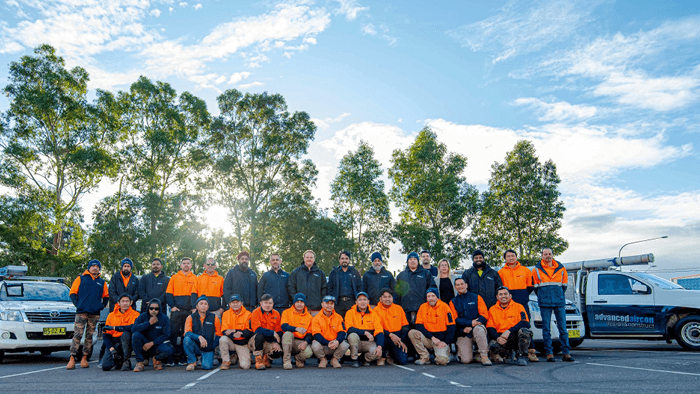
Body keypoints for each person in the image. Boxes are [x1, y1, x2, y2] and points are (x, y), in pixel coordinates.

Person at [532, 248, 574, 362]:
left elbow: (564, 285)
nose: (547, 256)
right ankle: (549, 353)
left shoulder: (561, 269)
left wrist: (557, 294)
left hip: (559, 302)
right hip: (545, 302)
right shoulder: (536, 270)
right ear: (542, 256)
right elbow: (535, 287)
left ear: (552, 255)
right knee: (546, 329)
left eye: (549, 254)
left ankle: (566, 353)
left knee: (563, 328)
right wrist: (544, 295)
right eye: (545, 254)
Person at [67, 259, 109, 370]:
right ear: (89, 268)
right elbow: (72, 293)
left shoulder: (102, 282)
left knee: (89, 336)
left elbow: (106, 297)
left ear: (99, 268)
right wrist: (78, 305)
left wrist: (101, 306)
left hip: (94, 314)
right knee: (77, 335)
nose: (95, 268)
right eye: (93, 266)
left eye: (97, 266)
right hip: (81, 312)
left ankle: (85, 357)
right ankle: (72, 357)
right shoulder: (81, 278)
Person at [498, 249, 538, 362]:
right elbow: (500, 289)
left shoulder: (525, 271)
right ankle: (511, 351)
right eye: (508, 256)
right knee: (509, 326)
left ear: (516, 257)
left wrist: (522, 296)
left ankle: (531, 352)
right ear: (505, 259)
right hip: (507, 306)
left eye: (512, 256)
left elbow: (530, 287)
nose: (511, 258)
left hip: (522, 304)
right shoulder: (501, 272)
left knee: (526, 326)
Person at [486, 286, 532, 366]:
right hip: (502, 337)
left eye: (505, 294)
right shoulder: (492, 309)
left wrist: (509, 331)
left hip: (515, 336)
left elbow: (525, 323)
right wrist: (498, 338)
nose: (503, 296)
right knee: (492, 345)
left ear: (510, 296)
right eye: (500, 294)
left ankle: (521, 356)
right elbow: (490, 327)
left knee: (525, 332)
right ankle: (507, 355)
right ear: (497, 297)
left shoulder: (519, 307)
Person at [408, 289, 455, 366]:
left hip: (441, 341)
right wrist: (432, 337)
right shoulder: (422, 307)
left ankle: (448, 354)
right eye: (428, 296)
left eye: (433, 296)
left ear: (437, 297)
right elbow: (419, 325)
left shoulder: (445, 307)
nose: (431, 298)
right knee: (412, 333)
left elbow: (451, 326)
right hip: (428, 339)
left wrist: (445, 342)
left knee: (442, 361)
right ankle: (425, 357)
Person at [450, 278, 491, 366]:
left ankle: (484, 356)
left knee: (478, 330)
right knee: (466, 360)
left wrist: (472, 325)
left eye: (462, 284)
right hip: (464, 332)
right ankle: (475, 355)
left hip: (477, 327)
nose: (460, 286)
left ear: (466, 285)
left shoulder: (476, 297)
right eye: (457, 285)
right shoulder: (453, 302)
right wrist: (468, 324)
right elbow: (455, 319)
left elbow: (484, 315)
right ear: (455, 287)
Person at [165, 257, 198, 365]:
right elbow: (169, 293)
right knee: (173, 333)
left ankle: (184, 357)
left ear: (191, 265)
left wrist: (194, 307)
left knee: (186, 334)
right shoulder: (174, 277)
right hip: (177, 311)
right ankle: (173, 357)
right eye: (184, 263)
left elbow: (195, 294)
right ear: (181, 265)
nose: (186, 265)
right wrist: (172, 306)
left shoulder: (195, 278)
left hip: (189, 311)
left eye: (188, 263)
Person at [131, 298, 174, 372]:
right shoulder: (142, 316)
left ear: (159, 309)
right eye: (151, 308)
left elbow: (166, 335)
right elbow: (134, 329)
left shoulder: (164, 318)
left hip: (157, 344)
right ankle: (140, 362)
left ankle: (157, 358)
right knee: (136, 335)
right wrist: (148, 323)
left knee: (170, 350)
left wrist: (152, 343)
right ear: (148, 308)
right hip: (144, 345)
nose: (153, 310)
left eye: (156, 309)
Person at [101, 294, 140, 371]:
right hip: (115, 342)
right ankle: (118, 361)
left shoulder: (135, 314)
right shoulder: (111, 315)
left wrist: (115, 328)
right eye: (123, 301)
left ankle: (126, 360)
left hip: (128, 341)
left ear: (131, 303)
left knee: (126, 334)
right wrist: (112, 350)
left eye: (127, 301)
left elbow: (132, 328)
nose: (125, 303)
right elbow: (106, 335)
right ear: (118, 303)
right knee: (106, 366)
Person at [396, 252, 435, 327]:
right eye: (410, 259)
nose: (412, 261)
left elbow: (432, 289)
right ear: (407, 261)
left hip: (422, 310)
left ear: (418, 261)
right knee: (406, 332)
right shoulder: (401, 276)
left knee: (421, 332)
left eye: (415, 259)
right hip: (405, 310)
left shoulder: (426, 274)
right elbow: (396, 294)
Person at [345, 292, 383, 367]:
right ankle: (354, 360)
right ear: (356, 302)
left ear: (368, 302)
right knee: (352, 335)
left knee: (378, 353)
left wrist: (379, 347)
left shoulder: (374, 314)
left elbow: (379, 331)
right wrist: (365, 333)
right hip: (355, 342)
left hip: (368, 342)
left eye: (364, 300)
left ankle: (364, 359)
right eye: (360, 300)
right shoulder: (350, 313)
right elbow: (349, 329)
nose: (362, 302)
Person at [183, 296, 222, 371]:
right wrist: (199, 337)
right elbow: (187, 333)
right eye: (201, 304)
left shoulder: (214, 317)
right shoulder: (190, 317)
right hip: (196, 346)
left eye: (205, 304)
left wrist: (212, 347)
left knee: (206, 367)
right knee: (187, 340)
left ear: (208, 307)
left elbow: (219, 335)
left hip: (208, 347)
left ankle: (202, 358)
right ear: (197, 306)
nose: (203, 306)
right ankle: (192, 362)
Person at [310, 295, 349, 368]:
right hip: (323, 345)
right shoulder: (316, 318)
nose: (329, 305)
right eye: (327, 303)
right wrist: (327, 343)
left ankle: (335, 359)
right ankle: (322, 359)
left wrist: (337, 341)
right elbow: (316, 334)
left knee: (345, 344)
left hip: (335, 345)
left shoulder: (338, 317)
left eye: (331, 304)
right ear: (322, 304)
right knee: (315, 345)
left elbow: (342, 332)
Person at [373, 288, 409, 366]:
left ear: (392, 298)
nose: (387, 299)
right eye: (385, 297)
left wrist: (400, 340)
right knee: (380, 336)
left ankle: (391, 355)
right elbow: (377, 328)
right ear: (380, 298)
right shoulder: (375, 310)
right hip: (384, 336)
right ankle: (383, 355)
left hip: (398, 337)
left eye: (389, 297)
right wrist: (390, 335)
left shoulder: (399, 308)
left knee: (403, 361)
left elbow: (405, 326)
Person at [219, 294, 254, 370]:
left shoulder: (248, 314)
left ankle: (239, 356)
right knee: (223, 339)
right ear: (229, 304)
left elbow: (250, 332)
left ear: (241, 303)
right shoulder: (225, 314)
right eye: (233, 302)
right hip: (231, 341)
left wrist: (236, 331)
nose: (235, 304)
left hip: (243, 343)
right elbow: (224, 331)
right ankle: (225, 361)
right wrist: (234, 335)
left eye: (237, 302)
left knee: (245, 366)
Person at [288, 250, 327, 316]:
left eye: (311, 257)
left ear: (314, 259)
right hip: (300, 309)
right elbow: (290, 287)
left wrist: (321, 302)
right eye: (307, 257)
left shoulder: (320, 273)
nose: (309, 259)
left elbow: (324, 288)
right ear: (304, 258)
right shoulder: (296, 272)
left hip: (316, 309)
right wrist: (297, 301)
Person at [249, 293, 283, 370]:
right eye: (266, 303)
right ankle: (258, 359)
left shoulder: (276, 313)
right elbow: (257, 330)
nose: (268, 305)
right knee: (260, 335)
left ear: (273, 304)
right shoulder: (255, 312)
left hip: (269, 342)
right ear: (261, 303)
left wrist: (276, 343)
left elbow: (279, 331)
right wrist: (272, 333)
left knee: (278, 352)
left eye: (270, 303)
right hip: (256, 341)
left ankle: (267, 358)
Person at [280, 293, 313, 369]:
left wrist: (305, 342)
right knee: (288, 334)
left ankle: (298, 359)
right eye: (297, 302)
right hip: (287, 341)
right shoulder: (286, 312)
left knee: (309, 352)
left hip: (300, 342)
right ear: (294, 303)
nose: (299, 304)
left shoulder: (309, 316)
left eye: (302, 302)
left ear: (304, 304)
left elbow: (310, 333)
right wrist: (296, 329)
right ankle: (287, 360)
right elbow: (284, 326)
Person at [327, 251, 363, 317]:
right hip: (338, 303)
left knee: (351, 323)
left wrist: (359, 300)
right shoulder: (334, 273)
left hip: (352, 302)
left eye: (346, 259)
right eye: (342, 258)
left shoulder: (355, 272)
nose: (344, 260)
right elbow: (329, 288)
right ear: (339, 260)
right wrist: (331, 300)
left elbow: (360, 287)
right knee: (339, 324)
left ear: (349, 260)